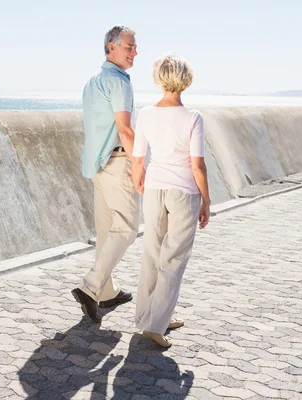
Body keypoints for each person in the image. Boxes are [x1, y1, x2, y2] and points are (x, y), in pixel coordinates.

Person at [131, 54, 211, 347]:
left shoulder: (145, 114)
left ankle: (152, 317)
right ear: (185, 80)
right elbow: (197, 166)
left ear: (159, 79)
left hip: (154, 189)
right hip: (183, 192)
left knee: (152, 253)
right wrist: (207, 201)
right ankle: (155, 325)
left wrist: (138, 180)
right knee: (174, 258)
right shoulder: (193, 117)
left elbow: (138, 158)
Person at [72, 25, 142, 323]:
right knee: (126, 229)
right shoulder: (119, 84)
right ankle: (90, 288)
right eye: (129, 47)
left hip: (98, 165)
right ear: (111, 47)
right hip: (117, 163)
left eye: (135, 47)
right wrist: (139, 165)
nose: (134, 52)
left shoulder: (92, 83)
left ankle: (107, 291)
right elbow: (125, 130)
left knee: (105, 233)